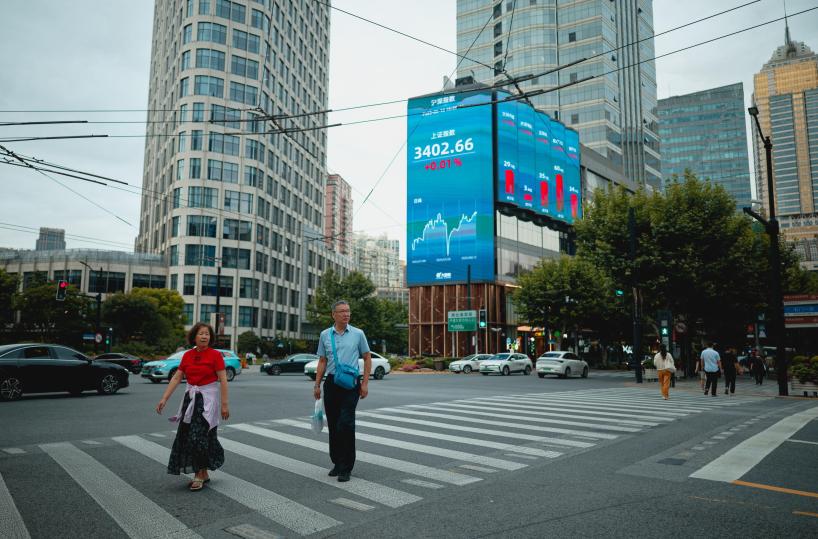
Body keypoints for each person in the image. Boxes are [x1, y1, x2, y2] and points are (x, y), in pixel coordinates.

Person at [156, 322, 229, 491]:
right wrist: (164, 399)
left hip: (207, 401)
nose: (204, 336)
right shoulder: (187, 355)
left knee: (199, 437)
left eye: (207, 334)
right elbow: (177, 377)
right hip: (190, 400)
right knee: (189, 436)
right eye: (201, 333)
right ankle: (203, 472)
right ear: (194, 337)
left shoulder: (215, 355)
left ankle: (198, 475)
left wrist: (224, 405)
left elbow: (223, 380)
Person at [313, 300, 371, 483]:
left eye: (348, 311)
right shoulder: (325, 335)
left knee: (346, 424)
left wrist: (365, 383)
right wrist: (317, 385)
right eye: (342, 311)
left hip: (351, 383)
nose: (346, 314)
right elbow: (322, 361)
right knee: (333, 425)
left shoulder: (358, 334)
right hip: (331, 383)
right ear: (334, 314)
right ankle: (337, 463)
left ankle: (346, 467)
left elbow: (367, 357)